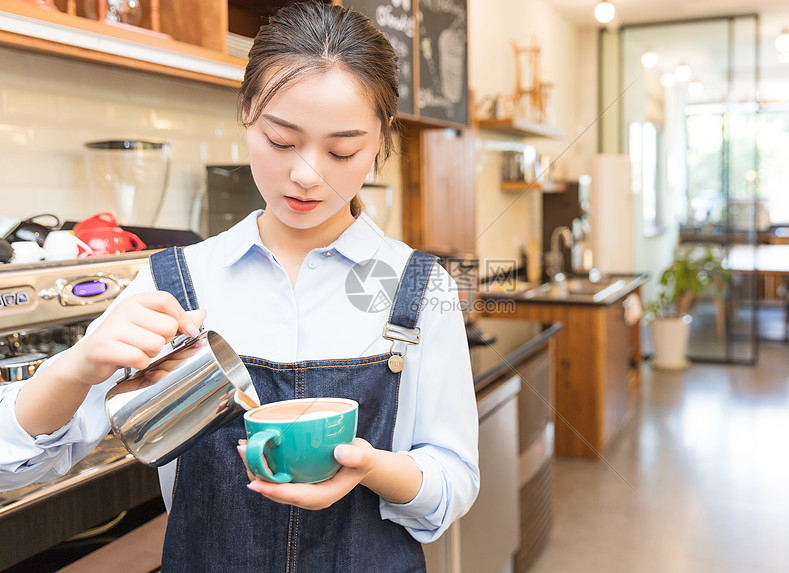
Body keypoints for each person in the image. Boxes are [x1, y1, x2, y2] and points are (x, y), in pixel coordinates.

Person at [0, 3, 479, 571]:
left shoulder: (421, 288)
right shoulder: (175, 281)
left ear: (381, 139)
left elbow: (452, 483)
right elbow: (16, 462)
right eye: (281, 140)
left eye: (342, 150)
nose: (307, 174)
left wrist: (372, 468)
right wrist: (79, 365)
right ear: (247, 113)